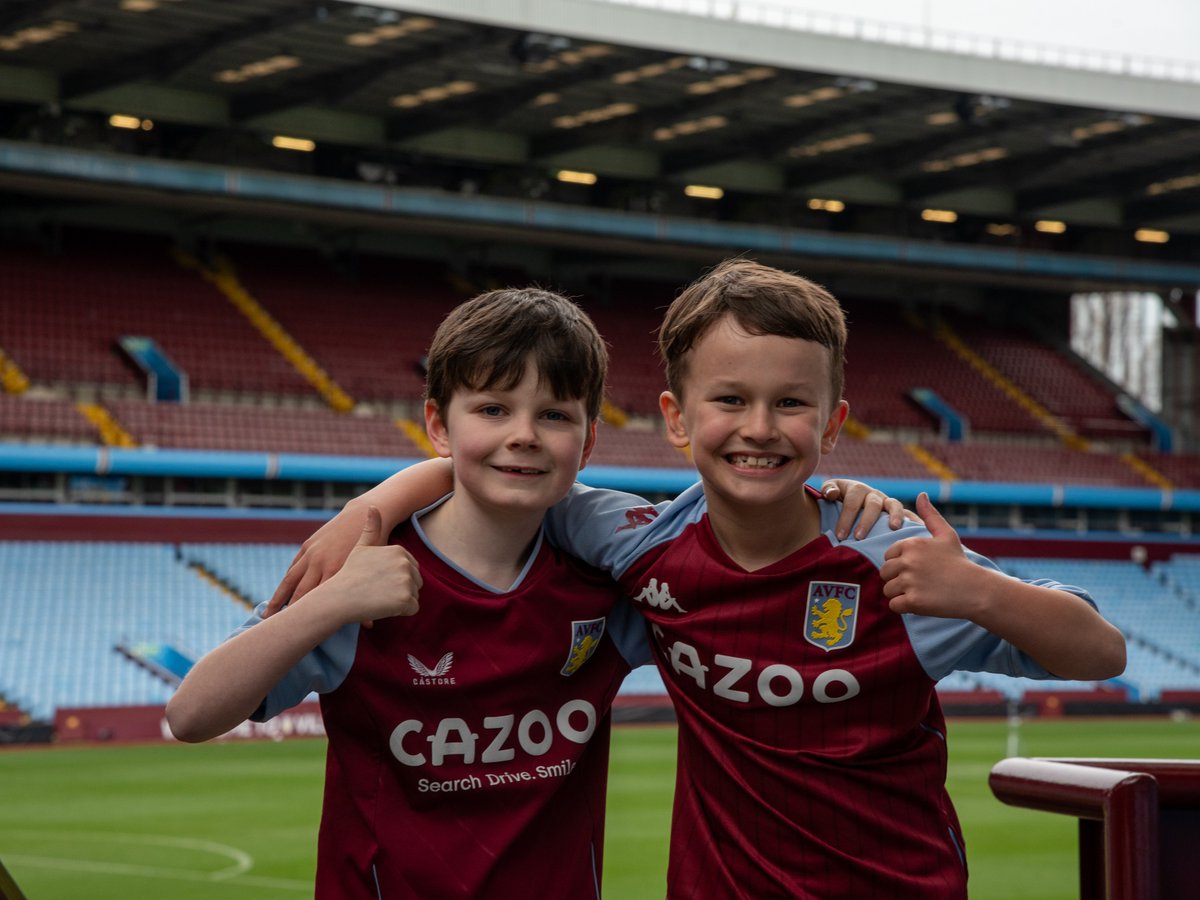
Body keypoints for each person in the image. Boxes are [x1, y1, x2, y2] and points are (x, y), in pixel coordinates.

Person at [271, 259, 1126, 899]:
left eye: (790, 404)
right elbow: (502, 474)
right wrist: (371, 507)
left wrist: (981, 591)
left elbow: (1101, 650)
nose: (759, 428)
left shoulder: (889, 555)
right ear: (677, 420)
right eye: (729, 401)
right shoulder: (634, 541)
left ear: (832, 425)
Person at [166, 284, 901, 899]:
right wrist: (336, 594)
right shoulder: (368, 575)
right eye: (492, 410)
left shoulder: (609, 586)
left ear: (586, 445)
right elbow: (193, 714)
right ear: (438, 424)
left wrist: (826, 501)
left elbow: (736, 543)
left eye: (553, 415)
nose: (523, 435)